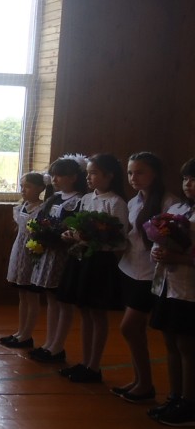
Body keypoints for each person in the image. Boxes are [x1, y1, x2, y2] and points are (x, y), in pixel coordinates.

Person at [56, 153, 129, 383]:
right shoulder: (87, 198)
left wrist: (91, 239)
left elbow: (120, 241)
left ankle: (94, 365)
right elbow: (81, 227)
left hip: (100, 262)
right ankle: (85, 362)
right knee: (85, 313)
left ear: (109, 175)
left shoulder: (116, 202)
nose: (88, 178)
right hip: (83, 259)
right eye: (87, 173)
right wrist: (72, 235)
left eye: (94, 173)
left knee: (97, 314)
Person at [113, 152, 179, 402]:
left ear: (155, 174)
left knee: (129, 327)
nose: (134, 178)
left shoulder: (169, 203)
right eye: (130, 173)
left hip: (151, 274)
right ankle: (141, 381)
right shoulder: (134, 202)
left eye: (140, 172)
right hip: (129, 269)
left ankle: (146, 384)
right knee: (136, 330)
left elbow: (174, 239)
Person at [147, 158, 195, 426]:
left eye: (194, 180)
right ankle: (175, 396)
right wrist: (158, 251)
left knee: (187, 345)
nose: (189, 184)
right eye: (186, 179)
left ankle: (189, 402)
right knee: (170, 342)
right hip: (168, 285)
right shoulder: (178, 208)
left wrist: (180, 258)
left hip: (189, 289)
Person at [27, 155, 88, 364]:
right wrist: (38, 231)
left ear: (73, 177)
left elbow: (73, 226)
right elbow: (43, 219)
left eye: (60, 175)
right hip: (49, 253)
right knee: (51, 300)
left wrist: (56, 235)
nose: (54, 179)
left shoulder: (79, 200)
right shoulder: (55, 197)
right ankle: (49, 344)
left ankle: (58, 345)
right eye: (53, 175)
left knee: (62, 301)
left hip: (64, 254)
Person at [0, 171, 50, 349]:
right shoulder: (22, 206)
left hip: (33, 253)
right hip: (20, 251)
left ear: (40, 188)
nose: (23, 190)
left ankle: (27, 334)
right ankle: (20, 332)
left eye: (27, 186)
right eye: (22, 186)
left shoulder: (43, 209)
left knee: (32, 296)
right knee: (22, 295)